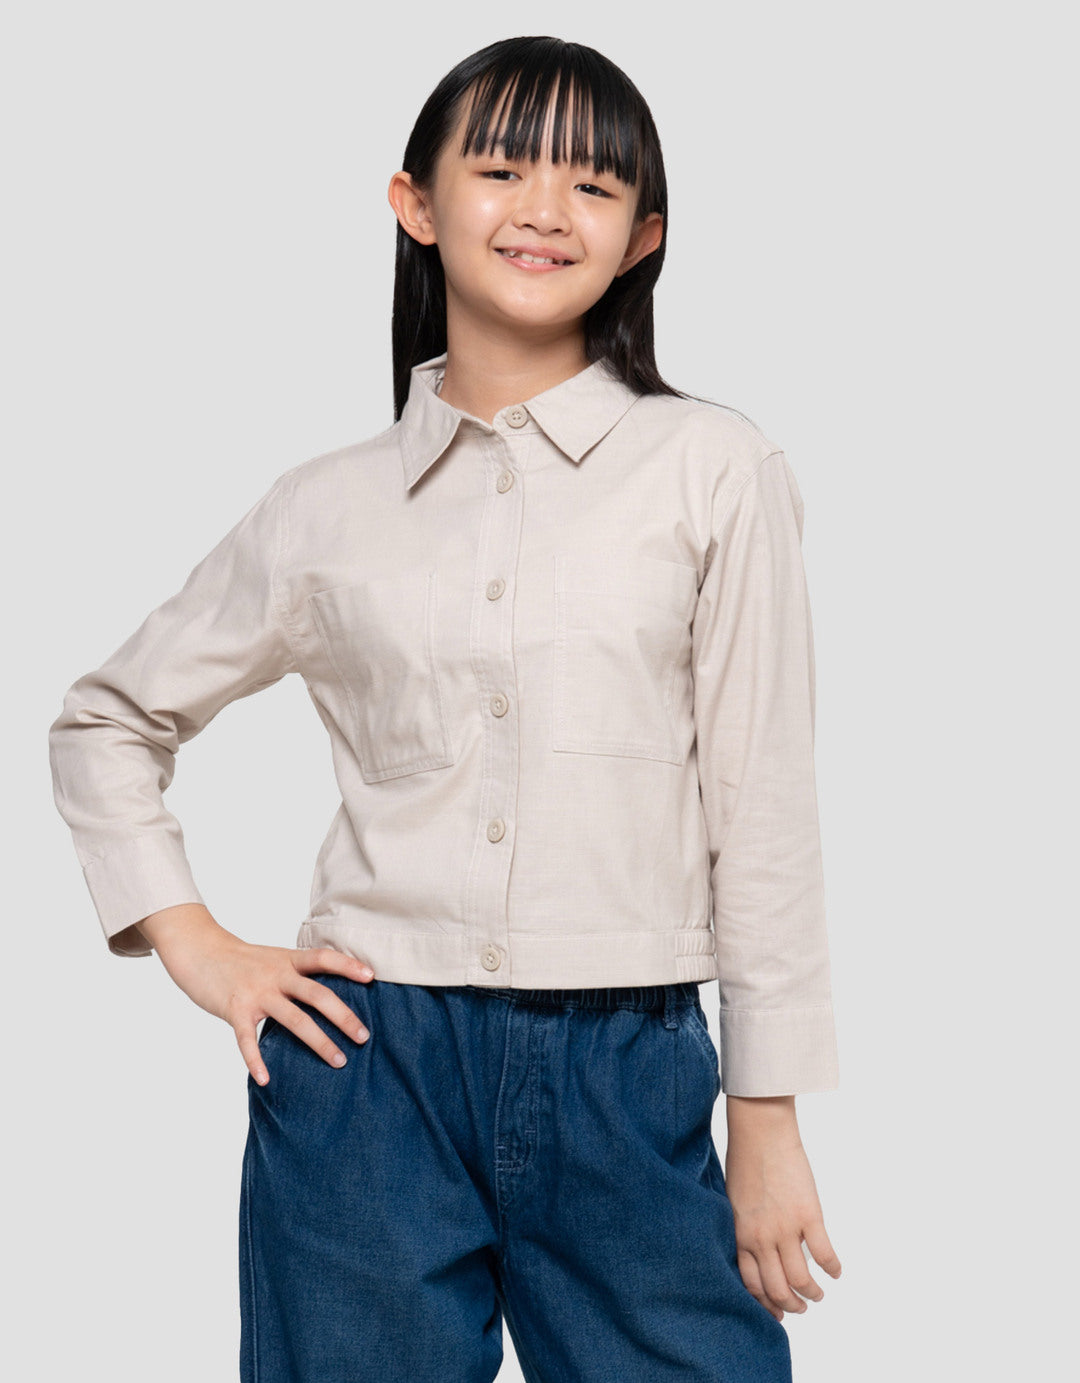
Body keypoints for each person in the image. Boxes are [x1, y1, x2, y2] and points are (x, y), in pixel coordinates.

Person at [48, 34, 842, 1383]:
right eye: (503, 168)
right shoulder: (325, 507)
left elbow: (761, 804)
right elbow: (107, 720)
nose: (545, 209)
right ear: (416, 202)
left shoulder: (714, 470)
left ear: (644, 238)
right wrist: (200, 947)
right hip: (367, 1066)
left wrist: (765, 1116)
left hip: (627, 1061)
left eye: (594, 186)